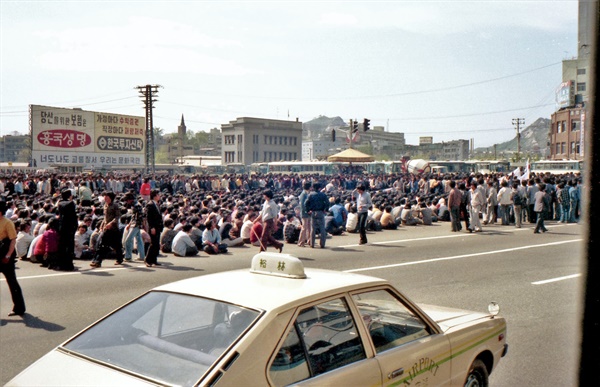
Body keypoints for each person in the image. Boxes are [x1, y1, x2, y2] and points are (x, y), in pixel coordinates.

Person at [0, 201, 26, 317]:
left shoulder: (7, 223)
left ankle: (19, 308)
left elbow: (13, 240)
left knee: (12, 282)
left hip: (6, 254)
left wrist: (8, 255)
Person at [57, 188, 77, 271]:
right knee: (69, 246)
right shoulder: (71, 203)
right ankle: (69, 264)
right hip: (69, 226)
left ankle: (61, 264)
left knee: (62, 245)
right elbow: (73, 216)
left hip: (62, 226)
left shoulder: (60, 203)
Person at [305, 183, 329, 249]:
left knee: (313, 228)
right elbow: (327, 203)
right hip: (321, 212)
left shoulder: (310, 195)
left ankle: (312, 244)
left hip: (313, 212)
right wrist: (325, 209)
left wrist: (308, 210)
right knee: (322, 229)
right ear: (319, 188)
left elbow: (306, 203)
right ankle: (322, 244)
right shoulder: (323, 195)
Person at [123, 193, 146, 262]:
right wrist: (130, 224)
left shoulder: (136, 205)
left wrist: (133, 225)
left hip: (136, 225)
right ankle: (141, 256)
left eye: (127, 200)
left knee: (128, 240)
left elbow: (138, 217)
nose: (126, 202)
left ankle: (128, 256)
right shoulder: (136, 204)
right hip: (136, 224)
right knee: (139, 240)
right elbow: (134, 216)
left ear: (130, 199)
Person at [145, 189, 164, 267]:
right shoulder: (150, 204)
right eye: (158, 195)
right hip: (153, 227)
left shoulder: (156, 204)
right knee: (153, 244)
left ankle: (154, 260)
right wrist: (152, 227)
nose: (159, 196)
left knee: (156, 244)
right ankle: (148, 260)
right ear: (154, 196)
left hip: (158, 226)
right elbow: (149, 217)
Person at [297, 181, 312, 247]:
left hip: (308, 213)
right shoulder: (303, 194)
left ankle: (309, 240)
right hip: (304, 213)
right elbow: (302, 205)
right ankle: (301, 242)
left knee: (309, 227)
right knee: (304, 228)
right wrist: (307, 211)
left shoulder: (307, 193)